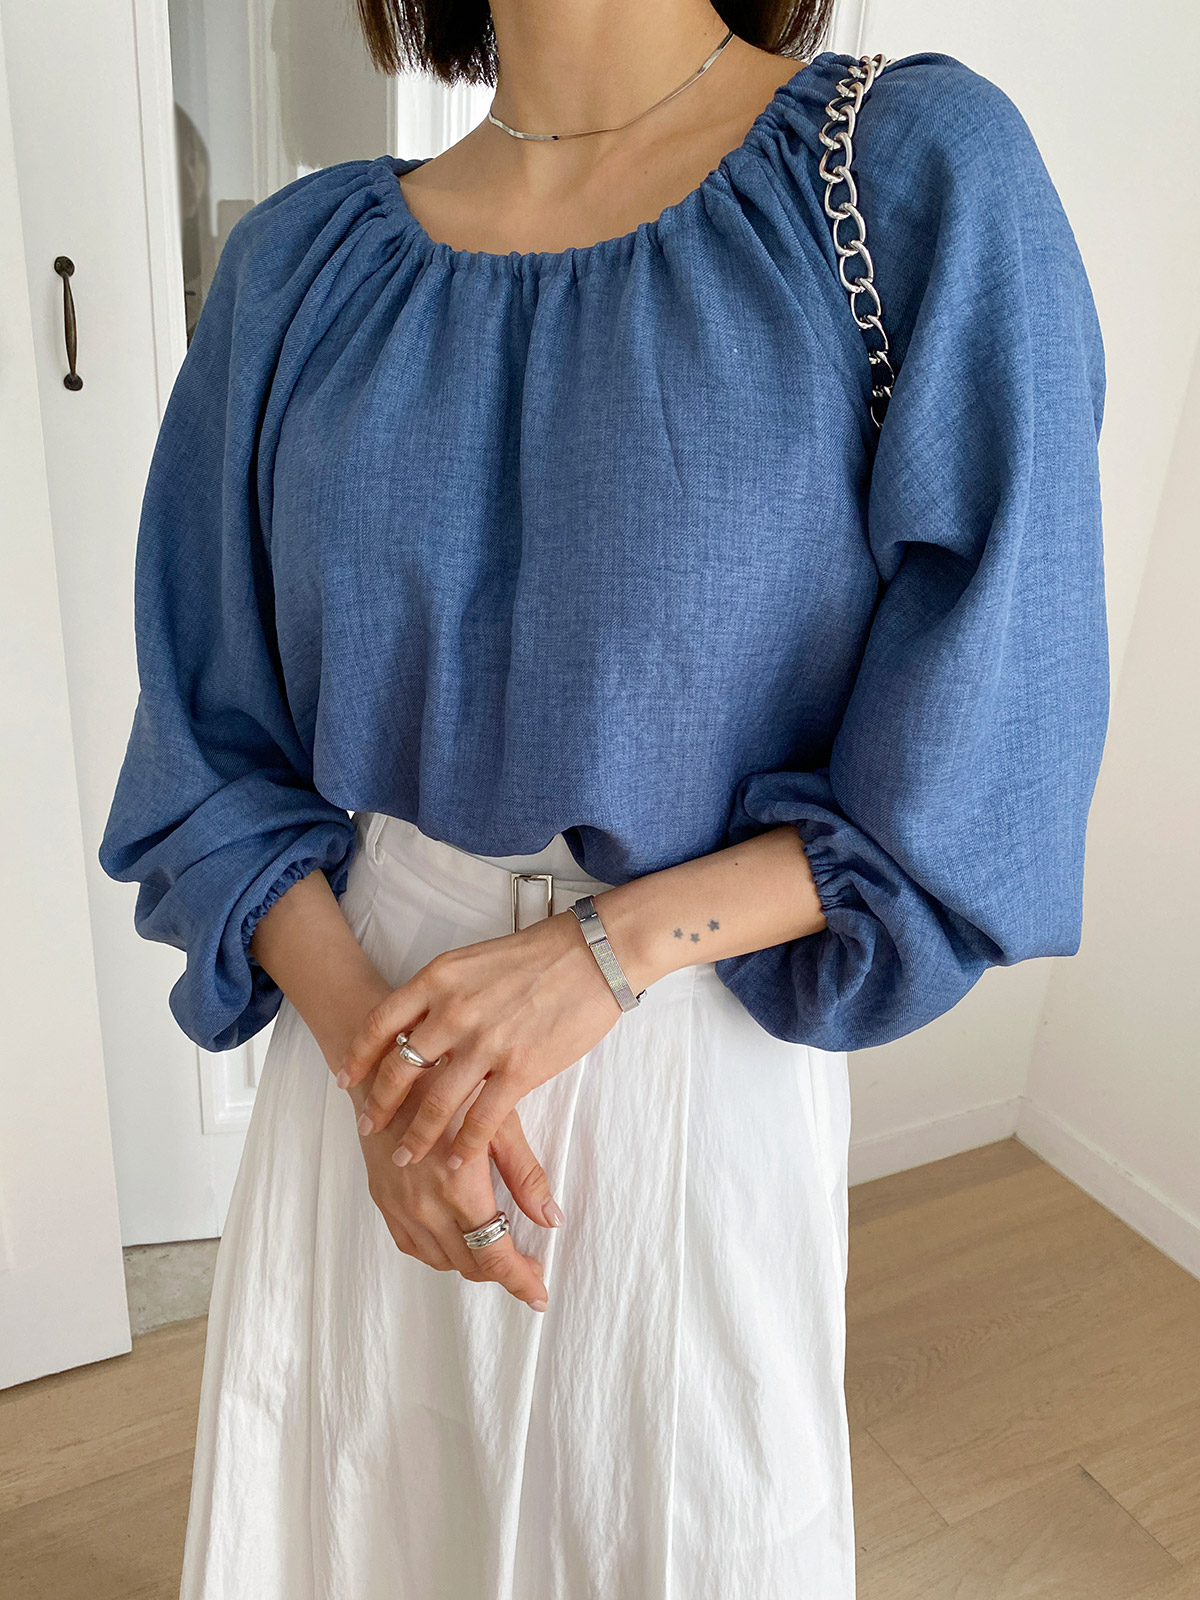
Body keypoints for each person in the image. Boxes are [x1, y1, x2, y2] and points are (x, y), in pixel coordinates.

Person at [98, 1, 1109, 1595]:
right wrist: (384, 1071)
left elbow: (996, 745)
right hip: (366, 1059)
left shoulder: (903, 177)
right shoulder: (300, 265)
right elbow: (207, 743)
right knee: (356, 1532)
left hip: (688, 1055)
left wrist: (605, 952)